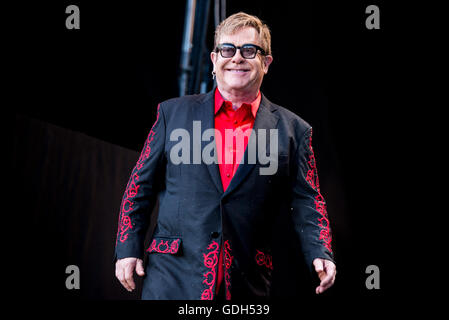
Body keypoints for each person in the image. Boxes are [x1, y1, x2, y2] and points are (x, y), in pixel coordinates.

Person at [114, 12, 336, 300]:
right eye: (228, 49)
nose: (237, 58)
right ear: (213, 60)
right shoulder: (172, 114)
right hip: (172, 278)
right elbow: (138, 188)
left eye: (249, 50)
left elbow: (308, 199)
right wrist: (127, 249)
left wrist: (320, 250)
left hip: (246, 283)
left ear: (266, 63)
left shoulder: (294, 130)